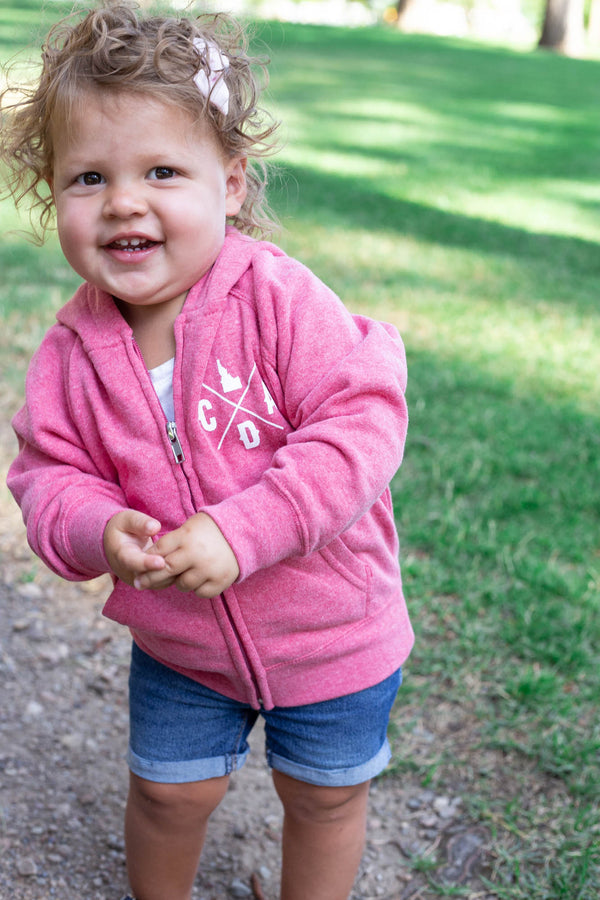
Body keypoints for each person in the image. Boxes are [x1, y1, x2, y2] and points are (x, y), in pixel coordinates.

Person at [2, 4, 413, 899]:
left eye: (161, 171)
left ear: (229, 183)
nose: (123, 201)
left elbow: (363, 419)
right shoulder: (71, 354)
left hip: (334, 632)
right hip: (184, 648)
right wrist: (98, 526)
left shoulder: (276, 298)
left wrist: (248, 527)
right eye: (87, 178)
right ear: (51, 192)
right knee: (165, 795)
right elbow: (47, 477)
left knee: (324, 797)